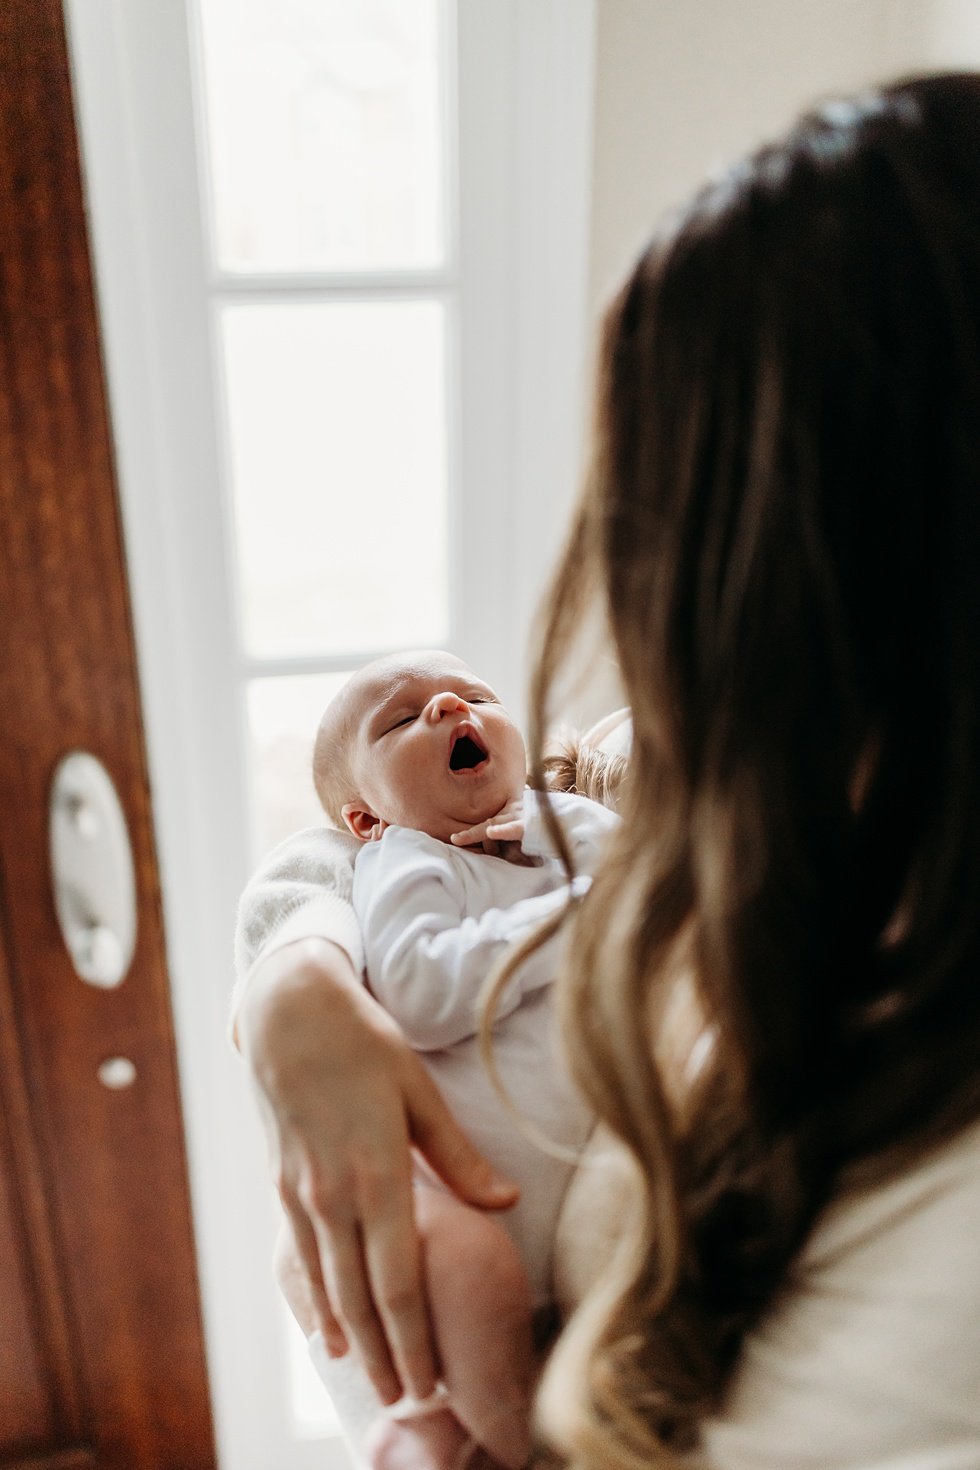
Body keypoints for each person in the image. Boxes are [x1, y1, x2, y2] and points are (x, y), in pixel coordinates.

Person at [234, 73, 980, 1469]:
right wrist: (295, 985)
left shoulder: (925, 1258)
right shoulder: (732, 779)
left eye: (660, 520)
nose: (635, 615)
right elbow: (347, 850)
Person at [305, 648, 619, 1468]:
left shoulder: (566, 828)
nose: (449, 707)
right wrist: (572, 917)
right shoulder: (408, 860)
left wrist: (570, 841)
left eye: (475, 696)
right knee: (474, 1281)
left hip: (582, 1208)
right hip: (458, 1204)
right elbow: (421, 990)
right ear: (368, 819)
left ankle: (450, 1430)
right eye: (405, 719)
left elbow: (646, 883)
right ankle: (500, 1446)